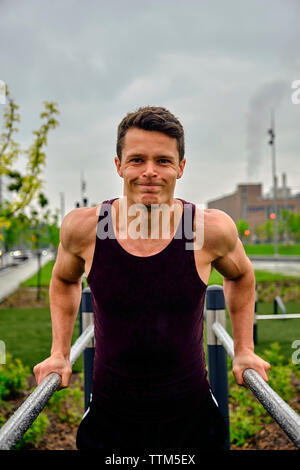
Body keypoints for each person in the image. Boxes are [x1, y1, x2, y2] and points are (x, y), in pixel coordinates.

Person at [33, 106, 270, 452]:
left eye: (162, 161)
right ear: (118, 166)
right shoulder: (83, 228)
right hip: (109, 422)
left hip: (193, 421)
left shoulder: (209, 229)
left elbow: (243, 275)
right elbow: (64, 279)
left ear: (180, 168)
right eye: (136, 160)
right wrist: (59, 352)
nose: (149, 172)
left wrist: (245, 348)